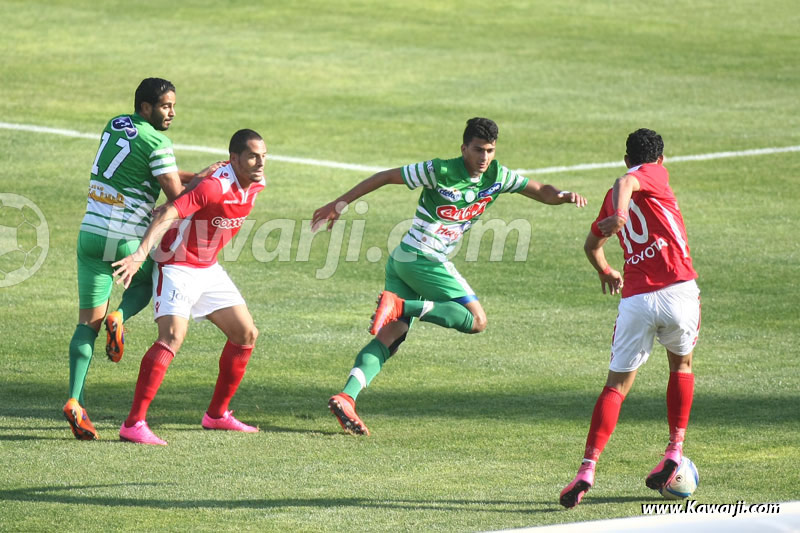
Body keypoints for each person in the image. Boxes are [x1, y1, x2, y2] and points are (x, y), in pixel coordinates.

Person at [311, 117, 587, 436]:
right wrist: (340, 203)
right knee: (476, 320)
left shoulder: (497, 176)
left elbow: (541, 191)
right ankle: (399, 305)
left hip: (403, 259)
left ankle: (347, 396)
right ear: (464, 148)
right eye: (478, 150)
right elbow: (386, 176)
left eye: (490, 151)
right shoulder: (440, 170)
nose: (484, 158)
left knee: (394, 336)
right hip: (423, 257)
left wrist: (563, 194)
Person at [64, 77, 219, 440]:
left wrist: (194, 174)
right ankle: (121, 314)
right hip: (123, 237)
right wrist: (201, 184)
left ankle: (75, 402)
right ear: (147, 107)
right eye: (166, 106)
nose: (172, 113)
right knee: (149, 279)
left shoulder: (116, 123)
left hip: (90, 234)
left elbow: (143, 168)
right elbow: (175, 195)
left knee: (86, 324)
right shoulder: (157, 140)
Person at [559, 128, 701, 508]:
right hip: (677, 291)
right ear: (661, 159)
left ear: (626, 156)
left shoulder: (609, 197)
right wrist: (621, 216)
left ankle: (587, 469)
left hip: (636, 301)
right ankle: (674, 450)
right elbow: (628, 180)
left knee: (615, 388)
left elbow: (592, 245)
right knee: (681, 366)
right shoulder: (652, 173)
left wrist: (605, 270)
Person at [111, 128, 266, 446]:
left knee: (246, 334)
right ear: (235, 158)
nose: (260, 162)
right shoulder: (215, 185)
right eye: (252, 155)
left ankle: (217, 415)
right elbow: (169, 211)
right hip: (177, 265)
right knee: (171, 338)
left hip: (208, 268)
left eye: (264, 155)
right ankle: (133, 423)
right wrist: (141, 254)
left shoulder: (255, 183)